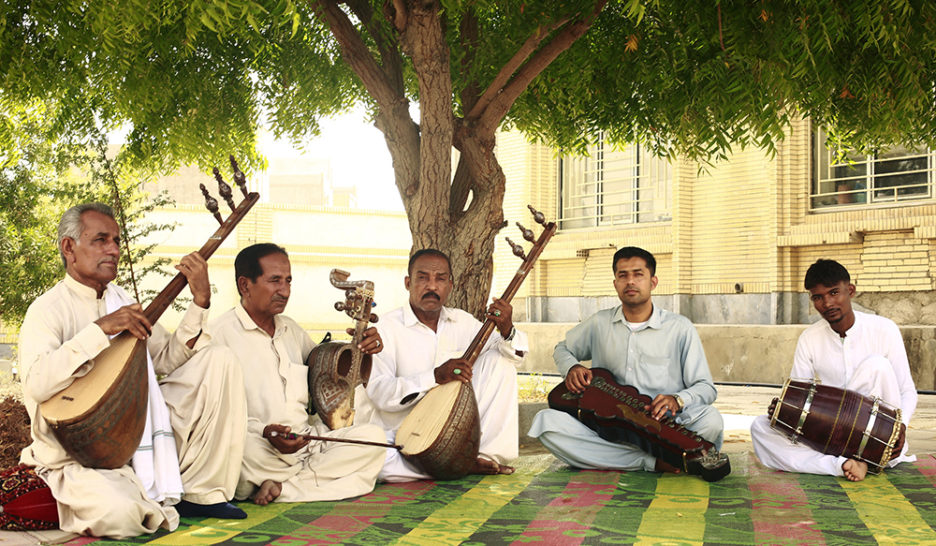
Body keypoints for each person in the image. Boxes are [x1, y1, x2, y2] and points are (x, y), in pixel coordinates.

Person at [18, 203, 247, 538]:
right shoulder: (48, 310)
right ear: (69, 248)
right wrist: (100, 329)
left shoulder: (121, 300)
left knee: (219, 360)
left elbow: (166, 360)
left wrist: (200, 301)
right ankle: (144, 492)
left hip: (131, 434)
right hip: (77, 455)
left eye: (116, 240)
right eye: (101, 240)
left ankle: (201, 492)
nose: (114, 249)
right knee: (122, 514)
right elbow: (38, 384)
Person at [208, 243, 386, 505]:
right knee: (237, 449)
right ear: (245, 286)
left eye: (288, 280)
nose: (285, 290)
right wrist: (267, 432)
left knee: (375, 439)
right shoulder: (218, 336)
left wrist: (363, 350)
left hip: (308, 445)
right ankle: (316, 481)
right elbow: (213, 416)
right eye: (275, 281)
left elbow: (328, 381)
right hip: (261, 448)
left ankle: (284, 488)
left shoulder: (291, 330)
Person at [528, 246, 724, 473]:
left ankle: (625, 458)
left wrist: (677, 400)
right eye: (623, 275)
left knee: (711, 420)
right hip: (610, 426)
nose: (630, 281)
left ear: (653, 282)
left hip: (666, 426)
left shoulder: (679, 328)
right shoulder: (600, 323)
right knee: (547, 423)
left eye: (638, 274)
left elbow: (706, 388)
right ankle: (652, 461)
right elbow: (563, 348)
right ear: (615, 284)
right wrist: (571, 367)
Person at [357, 248, 529, 481]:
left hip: (453, 436)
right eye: (422, 278)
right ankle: (454, 466)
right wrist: (434, 376)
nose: (431, 286)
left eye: (440, 279)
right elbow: (379, 393)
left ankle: (483, 456)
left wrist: (507, 328)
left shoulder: (462, 322)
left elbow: (514, 355)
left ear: (450, 284)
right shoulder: (386, 328)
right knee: (369, 454)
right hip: (404, 437)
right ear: (408, 283)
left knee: (500, 361)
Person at [750, 259, 917, 481]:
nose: (827, 303)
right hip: (831, 433)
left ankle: (871, 457)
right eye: (818, 297)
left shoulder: (884, 329)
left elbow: (907, 391)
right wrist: (784, 410)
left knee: (877, 366)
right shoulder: (809, 338)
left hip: (879, 438)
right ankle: (843, 464)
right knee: (760, 427)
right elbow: (800, 396)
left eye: (834, 293)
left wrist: (900, 427)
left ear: (851, 291)